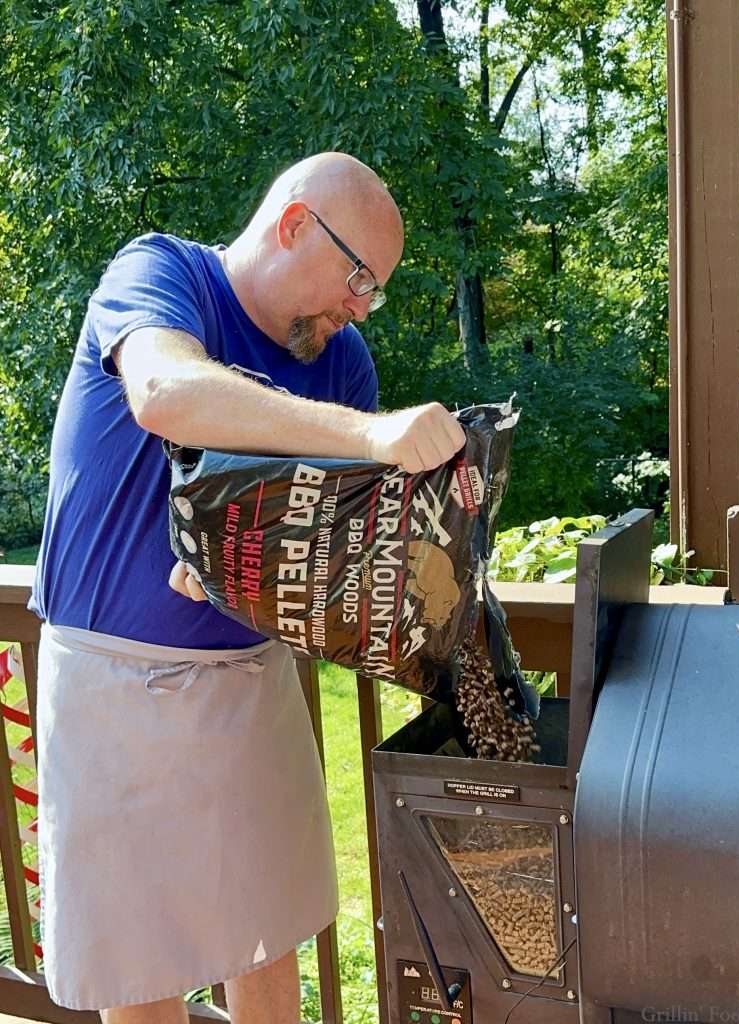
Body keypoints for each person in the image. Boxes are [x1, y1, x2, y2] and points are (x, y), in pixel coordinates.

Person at [30, 151, 465, 1024]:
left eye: (372, 289)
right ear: (295, 222)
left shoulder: (342, 361)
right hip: (115, 684)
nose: (358, 306)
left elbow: (332, 543)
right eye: (356, 277)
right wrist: (373, 435)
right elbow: (163, 390)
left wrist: (250, 578)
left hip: (253, 678)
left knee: (266, 936)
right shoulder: (159, 273)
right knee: (138, 968)